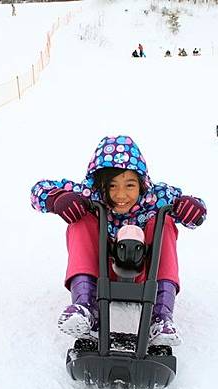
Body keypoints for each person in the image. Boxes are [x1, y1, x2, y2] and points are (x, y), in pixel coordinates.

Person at [30, 135, 206, 346]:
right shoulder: (90, 195)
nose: (120, 195)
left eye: (129, 185)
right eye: (112, 186)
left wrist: (192, 208)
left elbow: (196, 208)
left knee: (164, 221)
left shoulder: (156, 197)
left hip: (146, 273)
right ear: (99, 184)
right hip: (100, 272)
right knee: (81, 219)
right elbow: (38, 190)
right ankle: (85, 305)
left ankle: (161, 316)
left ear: (142, 183)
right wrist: (56, 199)